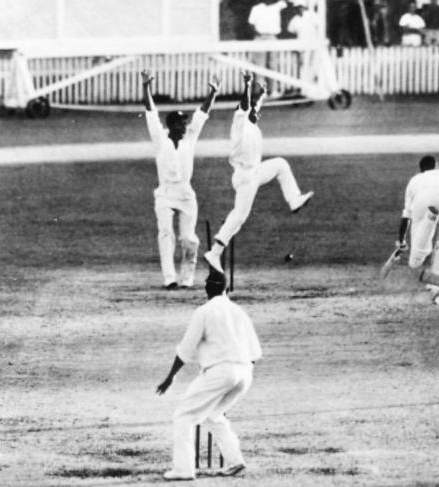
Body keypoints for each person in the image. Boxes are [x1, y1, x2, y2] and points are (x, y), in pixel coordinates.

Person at [156, 269, 262, 481]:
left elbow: (186, 348)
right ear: (225, 288)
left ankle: (183, 469)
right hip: (244, 373)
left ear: (208, 288)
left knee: (183, 416)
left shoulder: (204, 311)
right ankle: (234, 461)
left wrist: (170, 377)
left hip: (221, 371)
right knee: (213, 415)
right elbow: (255, 354)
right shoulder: (239, 311)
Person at [204, 73, 314, 274]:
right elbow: (246, 106)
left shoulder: (252, 123)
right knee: (239, 216)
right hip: (245, 177)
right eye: (252, 111)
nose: (257, 113)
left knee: (280, 164)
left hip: (255, 172)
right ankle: (215, 253)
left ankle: (294, 200)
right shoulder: (239, 124)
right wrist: (247, 85)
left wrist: (262, 93)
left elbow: (254, 107)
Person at [141, 68, 220, 290]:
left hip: (186, 195)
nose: (184, 127)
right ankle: (169, 278)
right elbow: (151, 112)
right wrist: (146, 87)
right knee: (166, 234)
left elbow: (201, 115)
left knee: (188, 238)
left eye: (185, 124)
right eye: (180, 124)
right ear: (171, 126)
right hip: (165, 194)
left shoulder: (190, 138)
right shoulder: (160, 139)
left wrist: (212, 93)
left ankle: (187, 278)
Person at [395, 155, 439, 304]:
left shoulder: (414, 180)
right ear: (436, 165)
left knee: (415, 261)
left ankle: (430, 219)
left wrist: (401, 239)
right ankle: (436, 286)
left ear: (421, 169)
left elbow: (406, 216)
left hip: (421, 203)